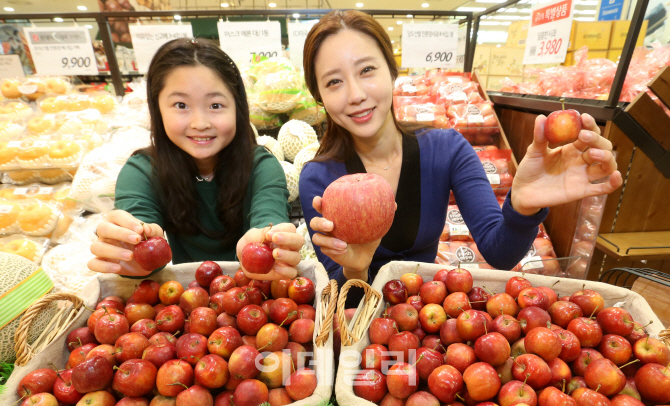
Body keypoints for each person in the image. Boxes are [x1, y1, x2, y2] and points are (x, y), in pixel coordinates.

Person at [298, 10, 623, 306]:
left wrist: (524, 206)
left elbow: (499, 253)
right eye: (334, 82)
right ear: (320, 96)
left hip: (433, 320)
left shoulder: (446, 149)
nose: (355, 94)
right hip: (363, 334)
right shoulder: (319, 178)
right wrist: (356, 269)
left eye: (367, 69)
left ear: (391, 70)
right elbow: (342, 302)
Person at [88, 38, 304, 279]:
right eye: (181, 104)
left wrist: (270, 242)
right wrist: (131, 250)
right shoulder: (142, 171)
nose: (200, 123)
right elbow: (137, 223)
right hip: (180, 299)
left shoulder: (261, 165)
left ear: (238, 108)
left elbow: (269, 215)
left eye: (215, 105)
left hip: (253, 290)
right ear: (157, 108)